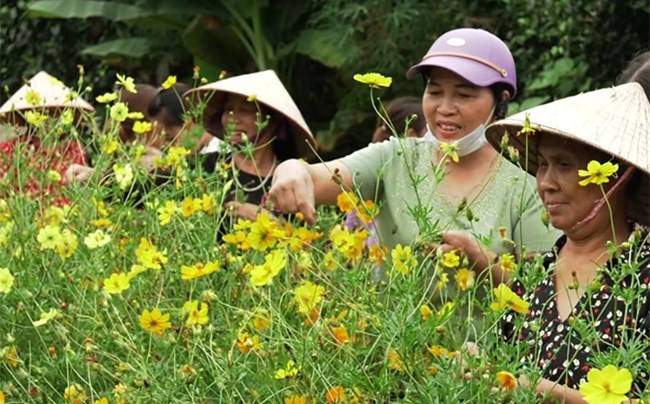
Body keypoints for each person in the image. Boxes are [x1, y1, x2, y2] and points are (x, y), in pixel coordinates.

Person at [268, 28, 559, 277]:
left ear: (501, 99)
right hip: (389, 343)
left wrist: (481, 261)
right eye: (434, 92)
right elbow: (321, 176)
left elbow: (544, 285)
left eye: (464, 94)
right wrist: (293, 168)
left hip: (485, 344)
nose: (445, 108)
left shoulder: (527, 180)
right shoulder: (396, 158)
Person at [485, 82, 650, 400]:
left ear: (617, 175)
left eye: (564, 165)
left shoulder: (641, 275)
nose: (545, 183)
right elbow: (506, 369)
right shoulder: (535, 276)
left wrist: (555, 396)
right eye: (543, 164)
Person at [184, 69, 316, 220]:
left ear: (272, 121)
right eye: (228, 109)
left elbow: (310, 240)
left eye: (245, 110)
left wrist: (270, 223)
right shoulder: (198, 170)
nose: (232, 118)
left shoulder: (291, 183)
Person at [0, 71, 94, 204]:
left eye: (56, 111)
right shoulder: (10, 148)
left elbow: (80, 191)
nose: (49, 117)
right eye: (42, 111)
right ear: (26, 114)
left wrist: (91, 176)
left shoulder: (73, 148)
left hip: (64, 220)